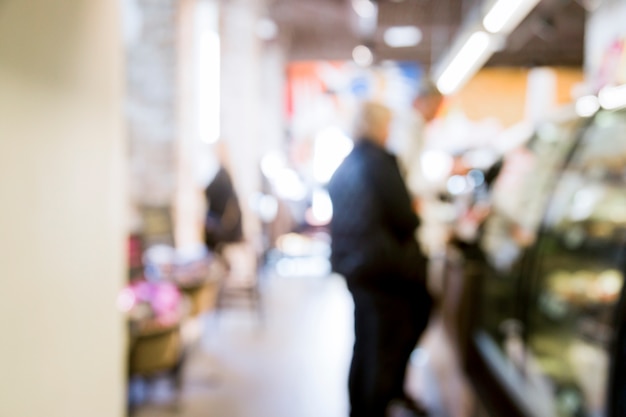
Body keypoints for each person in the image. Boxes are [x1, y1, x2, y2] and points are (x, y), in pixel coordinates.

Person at [328, 101, 433, 417]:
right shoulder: (379, 163)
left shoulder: (349, 162)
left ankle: (362, 407)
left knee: (365, 345)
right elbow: (405, 218)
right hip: (384, 271)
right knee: (381, 350)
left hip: (357, 268)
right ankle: (375, 406)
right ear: (380, 127)